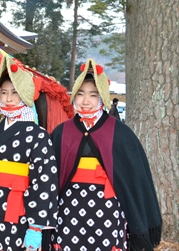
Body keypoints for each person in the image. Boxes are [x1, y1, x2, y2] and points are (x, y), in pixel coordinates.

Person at [50, 58, 162, 251]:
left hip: (107, 209)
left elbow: (135, 179)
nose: (85, 101)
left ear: (101, 97)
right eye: (81, 94)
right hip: (69, 211)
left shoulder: (120, 132)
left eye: (93, 95)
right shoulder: (61, 132)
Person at [0, 55, 59, 251]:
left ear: (25, 94)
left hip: (20, 212)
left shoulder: (38, 136)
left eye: (15, 92)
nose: (8, 98)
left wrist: (36, 226)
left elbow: (45, 183)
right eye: (3, 92)